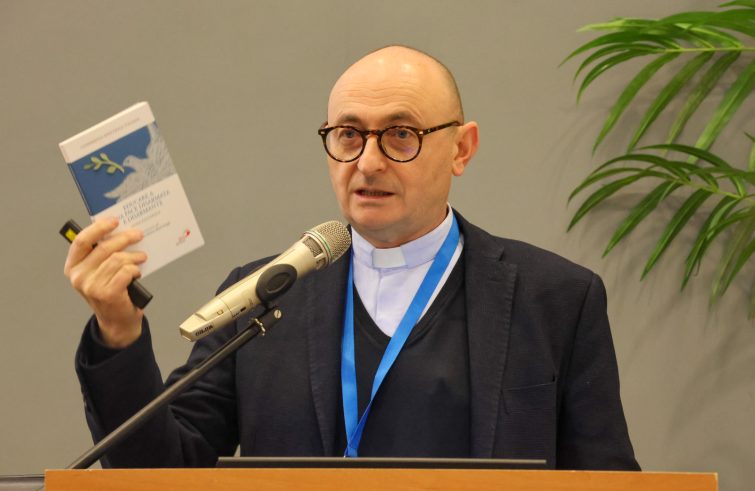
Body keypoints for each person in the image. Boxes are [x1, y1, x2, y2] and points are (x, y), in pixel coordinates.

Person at [65, 45, 640, 469]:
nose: (367, 162)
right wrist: (118, 331)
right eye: (347, 134)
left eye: (400, 134)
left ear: (461, 148)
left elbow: (607, 480)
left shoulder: (555, 299)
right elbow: (160, 468)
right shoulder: (263, 295)